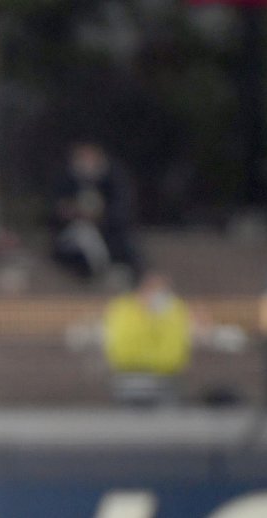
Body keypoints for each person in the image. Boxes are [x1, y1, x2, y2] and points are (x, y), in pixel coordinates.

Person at [52, 140, 142, 285]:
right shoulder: (65, 180)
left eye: (91, 158)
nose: (87, 162)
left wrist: (100, 217)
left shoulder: (114, 179)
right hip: (75, 235)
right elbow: (57, 209)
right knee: (82, 240)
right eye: (83, 157)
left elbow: (122, 208)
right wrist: (71, 213)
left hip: (109, 232)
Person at [101, 270, 192, 406]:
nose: (157, 295)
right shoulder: (123, 309)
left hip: (165, 380)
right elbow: (122, 351)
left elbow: (174, 354)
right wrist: (147, 319)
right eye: (153, 289)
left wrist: (158, 320)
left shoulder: (174, 310)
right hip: (128, 379)